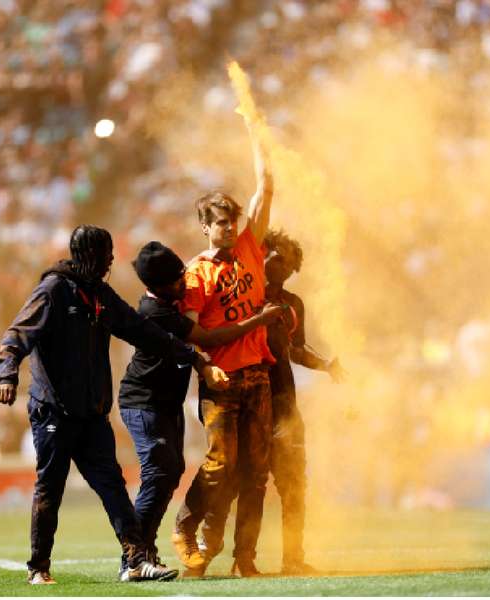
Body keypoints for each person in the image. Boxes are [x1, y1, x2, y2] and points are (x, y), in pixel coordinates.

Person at [0, 225, 229, 585]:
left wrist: (192, 357)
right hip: (54, 411)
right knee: (50, 487)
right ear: (89, 256)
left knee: (113, 487)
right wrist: (7, 373)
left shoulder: (100, 296)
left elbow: (141, 330)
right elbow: (17, 334)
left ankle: (135, 560)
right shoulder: (53, 291)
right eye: (105, 254)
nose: (111, 261)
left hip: (91, 412)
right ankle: (38, 567)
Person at [117, 241, 284, 572]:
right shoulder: (157, 312)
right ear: (158, 286)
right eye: (177, 279)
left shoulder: (172, 302)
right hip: (143, 401)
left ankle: (145, 552)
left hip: (166, 402)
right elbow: (207, 340)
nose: (185, 283)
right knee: (160, 471)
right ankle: (135, 556)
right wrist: (258, 320)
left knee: (173, 471)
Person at [202, 229, 345, 574]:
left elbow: (295, 348)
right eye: (274, 257)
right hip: (243, 399)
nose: (278, 266)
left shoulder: (293, 305)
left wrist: (325, 364)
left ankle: (292, 559)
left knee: (293, 482)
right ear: (260, 255)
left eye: (287, 263)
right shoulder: (241, 295)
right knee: (243, 480)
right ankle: (229, 557)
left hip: (283, 404)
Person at [172, 109, 276, 578]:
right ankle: (185, 528)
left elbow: (266, 187)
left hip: (257, 373)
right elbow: (190, 331)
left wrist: (257, 135)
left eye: (233, 220)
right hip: (220, 378)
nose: (230, 228)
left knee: (257, 472)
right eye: (220, 222)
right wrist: (201, 366)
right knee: (219, 466)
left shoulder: (252, 246)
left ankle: (245, 559)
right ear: (205, 226)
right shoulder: (197, 272)